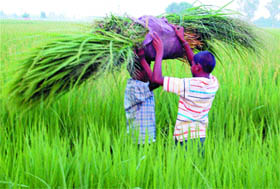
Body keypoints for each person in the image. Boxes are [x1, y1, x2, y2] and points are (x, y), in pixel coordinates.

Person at [146, 25, 219, 152]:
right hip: (200, 136)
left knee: (181, 165)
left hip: (184, 138)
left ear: (197, 67)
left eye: (193, 65)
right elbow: (194, 63)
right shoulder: (213, 83)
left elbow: (156, 79)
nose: (191, 65)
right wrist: (183, 40)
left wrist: (159, 53)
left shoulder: (188, 86)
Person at [124, 48, 159, 145]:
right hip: (139, 140)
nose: (150, 72)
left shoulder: (143, 84)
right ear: (137, 72)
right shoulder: (134, 87)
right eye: (146, 69)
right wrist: (143, 59)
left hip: (147, 137)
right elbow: (155, 82)